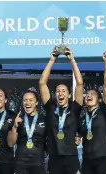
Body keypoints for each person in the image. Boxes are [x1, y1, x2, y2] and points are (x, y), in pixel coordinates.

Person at [38, 46, 83, 174]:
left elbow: (80, 84)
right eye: (58, 91)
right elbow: (42, 83)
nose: (60, 93)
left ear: (69, 95)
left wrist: (72, 60)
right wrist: (52, 60)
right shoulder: (51, 106)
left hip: (71, 157)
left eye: (63, 91)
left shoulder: (74, 108)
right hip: (54, 156)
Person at [79, 47, 106, 174]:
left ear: (100, 100)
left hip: (104, 159)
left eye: (93, 94)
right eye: (87, 94)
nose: (88, 95)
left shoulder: (104, 112)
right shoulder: (83, 118)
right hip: (87, 161)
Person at [7, 91, 47, 174]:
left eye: (31, 100)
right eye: (25, 100)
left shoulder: (44, 119)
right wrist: (14, 127)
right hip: (21, 164)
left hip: (38, 164)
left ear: (36, 103)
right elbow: (10, 143)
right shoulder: (18, 119)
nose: (27, 103)